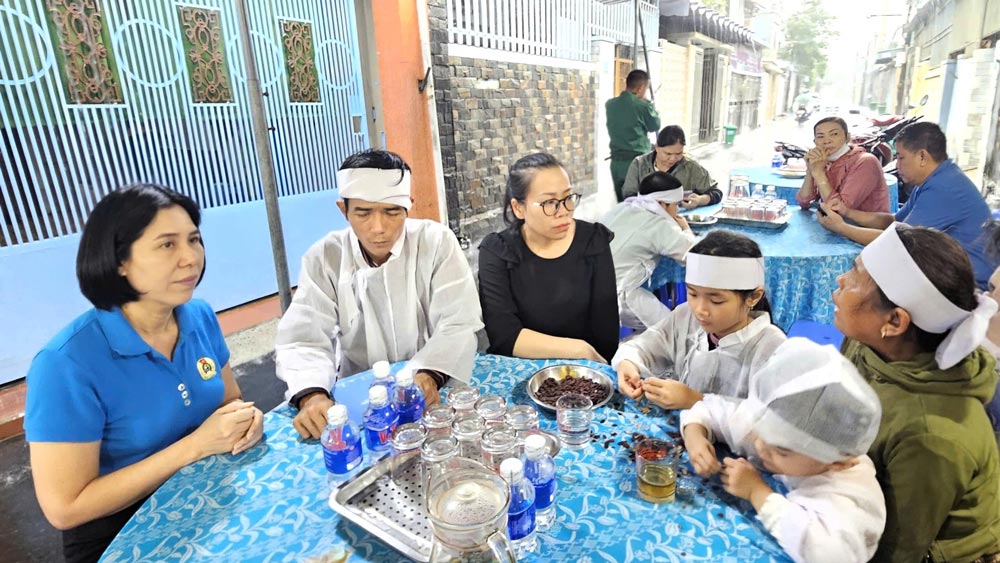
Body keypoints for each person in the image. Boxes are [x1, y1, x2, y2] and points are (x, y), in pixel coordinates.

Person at [23, 185, 264, 563]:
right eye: (167, 245)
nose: (190, 258)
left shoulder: (199, 316)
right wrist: (194, 447)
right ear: (120, 260)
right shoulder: (65, 363)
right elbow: (65, 507)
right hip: (118, 529)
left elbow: (230, 401)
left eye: (194, 240)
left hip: (209, 496)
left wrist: (246, 419)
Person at [275, 149, 483, 439]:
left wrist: (429, 374)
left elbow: (458, 321)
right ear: (343, 210)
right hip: (357, 397)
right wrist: (313, 396)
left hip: (434, 386)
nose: (379, 228)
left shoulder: (435, 242)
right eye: (363, 213)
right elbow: (303, 339)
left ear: (409, 207)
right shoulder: (325, 256)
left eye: (392, 212)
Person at [832, 223, 1000, 562]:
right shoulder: (868, 344)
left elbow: (898, 549)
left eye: (854, 275)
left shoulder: (932, 435)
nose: (840, 281)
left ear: (895, 322)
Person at [681, 338, 886, 563]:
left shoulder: (848, 493)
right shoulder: (779, 433)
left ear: (837, 462)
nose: (760, 447)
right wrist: (695, 435)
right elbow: (714, 411)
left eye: (781, 452)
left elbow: (829, 553)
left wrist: (757, 493)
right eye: (761, 433)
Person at [612, 230, 786, 410]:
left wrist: (696, 400)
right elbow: (644, 346)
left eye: (716, 300)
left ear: (753, 297)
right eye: (693, 293)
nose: (700, 310)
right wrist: (628, 363)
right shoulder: (685, 316)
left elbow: (773, 422)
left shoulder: (772, 350)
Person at [817, 121, 995, 288]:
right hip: (948, 269)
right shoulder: (934, 179)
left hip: (971, 284)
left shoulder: (943, 187)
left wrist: (842, 228)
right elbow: (894, 221)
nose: (897, 163)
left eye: (901, 157)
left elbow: (899, 242)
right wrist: (848, 212)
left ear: (922, 156)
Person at [479, 152, 619, 363]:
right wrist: (578, 348)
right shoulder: (498, 251)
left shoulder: (593, 241)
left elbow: (606, 335)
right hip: (519, 368)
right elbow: (505, 336)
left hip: (584, 369)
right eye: (549, 203)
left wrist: (583, 358)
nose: (563, 211)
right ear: (519, 208)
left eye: (568, 198)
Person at [601, 171, 695, 330]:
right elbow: (691, 255)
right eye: (676, 205)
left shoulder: (622, 208)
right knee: (673, 331)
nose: (677, 211)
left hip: (586, 285)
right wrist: (686, 229)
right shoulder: (659, 224)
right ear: (662, 204)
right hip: (618, 295)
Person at [795, 117, 889, 212]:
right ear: (815, 142)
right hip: (831, 222)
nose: (827, 141)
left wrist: (819, 174)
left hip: (861, 226)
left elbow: (840, 209)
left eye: (834, 134)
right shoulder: (823, 161)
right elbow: (804, 202)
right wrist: (810, 170)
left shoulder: (865, 162)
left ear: (848, 138)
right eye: (820, 136)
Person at [621, 125, 722, 208]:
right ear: (656, 147)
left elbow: (716, 193)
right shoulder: (639, 164)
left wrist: (700, 200)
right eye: (668, 154)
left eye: (679, 153)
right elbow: (629, 196)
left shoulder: (691, 167)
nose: (673, 159)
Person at [606, 69, 660, 202]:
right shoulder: (642, 106)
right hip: (637, 163)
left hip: (616, 163)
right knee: (640, 205)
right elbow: (655, 126)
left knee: (623, 204)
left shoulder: (610, 104)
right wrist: (649, 105)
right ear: (641, 88)